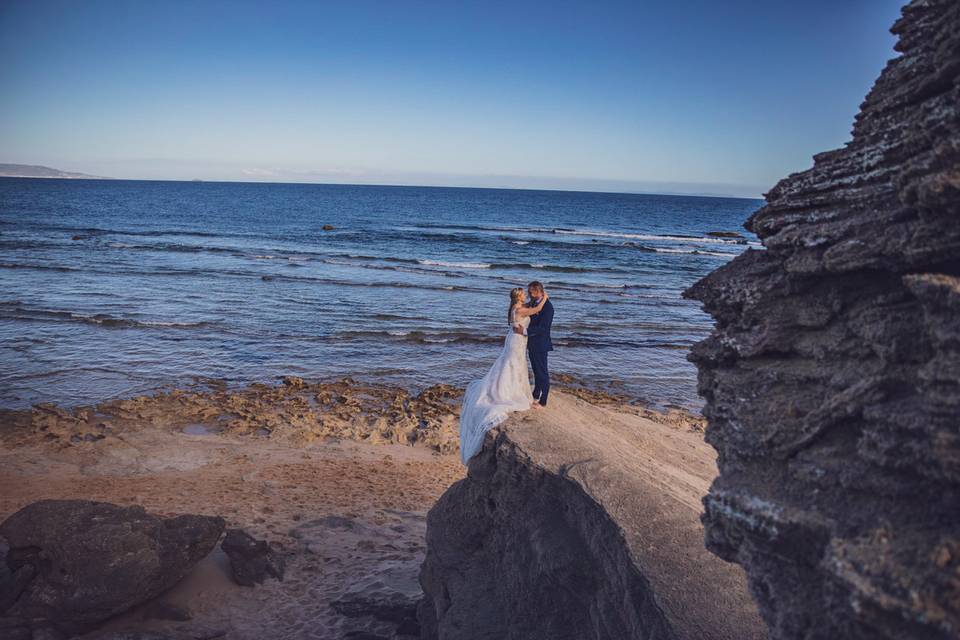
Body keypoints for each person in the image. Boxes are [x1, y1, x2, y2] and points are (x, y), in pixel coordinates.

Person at [458, 286, 549, 464]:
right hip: (517, 341)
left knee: (513, 365)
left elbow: (530, 306)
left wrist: (536, 300)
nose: (526, 294)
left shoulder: (515, 307)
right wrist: (545, 297)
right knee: (512, 365)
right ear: (518, 296)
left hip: (516, 340)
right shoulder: (520, 309)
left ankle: (510, 387)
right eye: (523, 293)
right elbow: (537, 309)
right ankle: (507, 391)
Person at [515, 280, 554, 409]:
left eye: (532, 292)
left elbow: (543, 328)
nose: (530, 294)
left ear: (539, 291)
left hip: (541, 344)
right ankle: (536, 393)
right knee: (536, 371)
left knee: (542, 372)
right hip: (532, 343)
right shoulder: (533, 302)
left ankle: (543, 401)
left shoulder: (548, 307)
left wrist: (524, 331)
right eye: (529, 292)